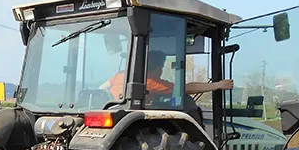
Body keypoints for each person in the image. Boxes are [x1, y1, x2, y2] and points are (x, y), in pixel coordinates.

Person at [100, 49, 234, 103]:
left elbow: (102, 88)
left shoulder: (121, 75)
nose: (162, 70)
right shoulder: (150, 82)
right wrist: (218, 85)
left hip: (112, 108)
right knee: (187, 102)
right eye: (162, 66)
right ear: (158, 67)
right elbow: (184, 89)